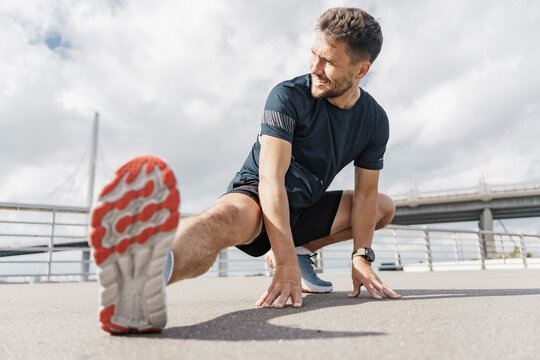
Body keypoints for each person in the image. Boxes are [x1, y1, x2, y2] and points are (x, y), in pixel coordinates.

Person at [89, 7, 401, 334]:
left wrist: (361, 256)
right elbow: (270, 180)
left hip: (305, 206)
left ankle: (301, 247)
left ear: (361, 70)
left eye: (329, 62)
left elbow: (365, 196)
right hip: (257, 194)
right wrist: (284, 265)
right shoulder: (287, 96)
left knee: (383, 206)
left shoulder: (374, 120)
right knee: (219, 222)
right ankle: (145, 280)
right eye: (313, 54)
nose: (315, 68)